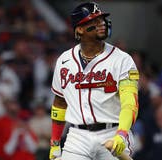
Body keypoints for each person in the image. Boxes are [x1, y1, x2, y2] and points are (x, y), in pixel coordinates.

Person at [49, 2, 139, 160]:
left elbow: (130, 103)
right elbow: (60, 103)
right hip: (77, 136)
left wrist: (121, 134)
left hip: (112, 131)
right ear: (80, 29)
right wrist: (55, 142)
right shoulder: (64, 60)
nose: (102, 24)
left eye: (102, 19)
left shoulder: (123, 60)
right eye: (94, 21)